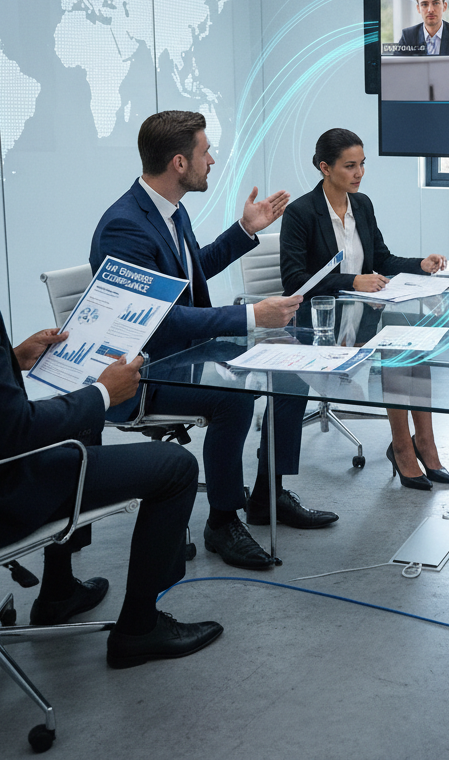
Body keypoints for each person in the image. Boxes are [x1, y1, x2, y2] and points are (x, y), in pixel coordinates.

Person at [0, 116, 221, 668]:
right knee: (174, 467)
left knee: (76, 420)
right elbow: (15, 431)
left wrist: (7, 358)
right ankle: (140, 629)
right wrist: (103, 393)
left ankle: (58, 589)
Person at [90, 111, 338, 573]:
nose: (213, 161)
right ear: (180, 162)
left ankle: (267, 494)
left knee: (289, 372)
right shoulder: (124, 226)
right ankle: (222, 521)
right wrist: (251, 316)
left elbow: (191, 274)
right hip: (145, 373)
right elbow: (159, 322)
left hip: (185, 353)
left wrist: (245, 230)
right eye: (206, 152)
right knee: (233, 396)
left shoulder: (169, 209)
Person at [279, 128, 449, 489]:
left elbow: (382, 259)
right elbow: (294, 279)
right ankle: (402, 449)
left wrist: (421, 264)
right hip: (318, 328)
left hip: (361, 321)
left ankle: (425, 443)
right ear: (325, 168)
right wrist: (352, 281)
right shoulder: (301, 213)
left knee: (415, 350)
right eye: (349, 166)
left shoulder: (362, 205)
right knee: (397, 356)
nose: (359, 173)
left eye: (362, 164)